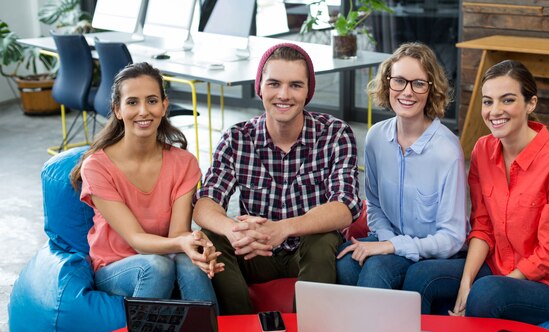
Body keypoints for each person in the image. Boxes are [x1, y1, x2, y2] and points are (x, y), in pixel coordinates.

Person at [402, 60, 549, 324]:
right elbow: (483, 226)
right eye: (488, 102)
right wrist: (466, 283)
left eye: (507, 100)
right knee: (421, 275)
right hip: (497, 266)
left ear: (531, 103)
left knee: (487, 293)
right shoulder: (482, 150)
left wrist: (485, 288)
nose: (495, 111)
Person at [193, 43, 361, 315]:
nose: (284, 95)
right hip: (255, 252)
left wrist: (283, 228)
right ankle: (242, 328)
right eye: (274, 84)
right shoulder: (237, 138)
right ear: (259, 87)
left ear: (308, 91)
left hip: (308, 254)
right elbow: (205, 203)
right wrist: (232, 230)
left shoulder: (335, 134)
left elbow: (346, 207)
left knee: (322, 237)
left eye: (295, 85)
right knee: (212, 235)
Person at [70, 62, 221, 304]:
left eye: (152, 101)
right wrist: (183, 242)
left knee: (190, 263)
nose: (143, 111)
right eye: (132, 102)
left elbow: (178, 233)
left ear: (164, 106)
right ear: (117, 110)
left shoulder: (184, 163)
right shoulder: (97, 166)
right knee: (156, 266)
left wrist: (194, 244)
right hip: (116, 267)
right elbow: (136, 239)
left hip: (164, 257)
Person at [336, 42, 467, 289]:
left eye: (418, 83)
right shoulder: (375, 137)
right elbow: (373, 205)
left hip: (434, 253)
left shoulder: (447, 150)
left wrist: (392, 248)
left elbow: (452, 237)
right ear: (388, 84)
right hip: (390, 240)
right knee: (344, 261)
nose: (407, 92)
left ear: (431, 90)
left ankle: (371, 328)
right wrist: (386, 242)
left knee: (376, 269)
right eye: (399, 81)